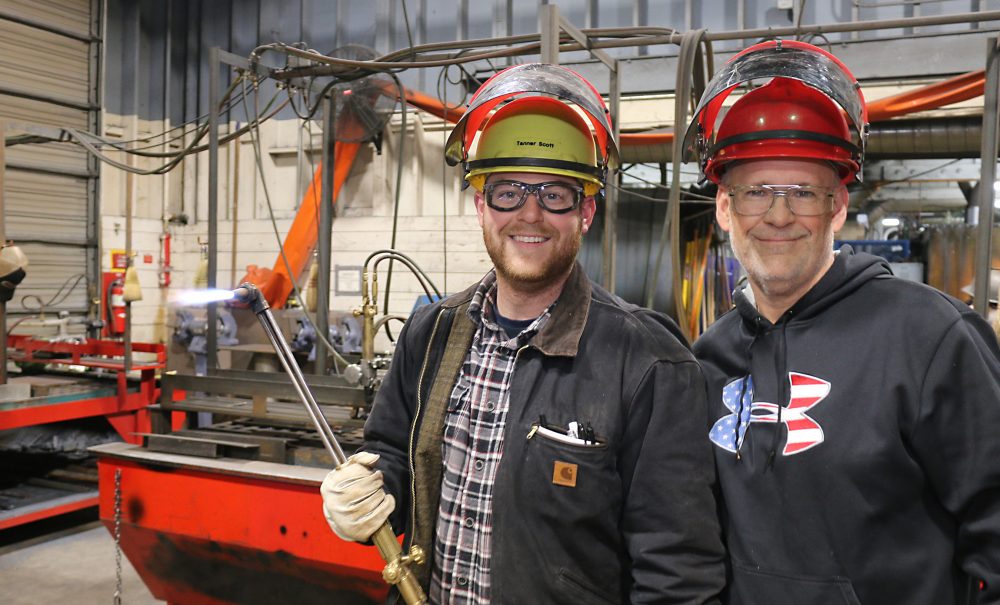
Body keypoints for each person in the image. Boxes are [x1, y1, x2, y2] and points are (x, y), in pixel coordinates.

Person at [321, 63, 726, 604]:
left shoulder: (648, 361)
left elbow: (678, 570)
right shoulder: (432, 332)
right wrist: (369, 489)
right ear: (480, 205)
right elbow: (393, 450)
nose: (530, 215)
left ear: (586, 211)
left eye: (555, 193)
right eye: (508, 191)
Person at [684, 40, 1000, 604]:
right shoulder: (708, 359)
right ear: (725, 208)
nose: (779, 216)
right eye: (756, 192)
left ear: (837, 206)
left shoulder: (931, 339)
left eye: (803, 193)